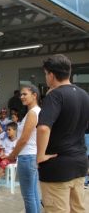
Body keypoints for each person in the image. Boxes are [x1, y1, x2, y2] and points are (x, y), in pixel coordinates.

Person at [37, 54, 89, 213]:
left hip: (57, 166)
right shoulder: (84, 95)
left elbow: (44, 127)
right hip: (80, 163)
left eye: (46, 74)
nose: (46, 78)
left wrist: (40, 155)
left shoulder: (55, 95)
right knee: (78, 209)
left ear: (51, 75)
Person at [5, 85, 41, 213]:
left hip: (27, 157)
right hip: (32, 156)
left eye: (25, 94)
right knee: (34, 193)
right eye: (21, 94)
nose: (21, 97)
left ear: (34, 95)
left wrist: (13, 154)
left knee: (29, 196)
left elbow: (24, 139)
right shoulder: (35, 111)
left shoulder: (32, 113)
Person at [0, 122, 17, 192]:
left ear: (15, 130)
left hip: (11, 159)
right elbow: (3, 150)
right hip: (5, 157)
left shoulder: (17, 142)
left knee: (3, 163)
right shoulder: (6, 140)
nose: (7, 131)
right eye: (7, 130)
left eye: (9, 130)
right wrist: (1, 154)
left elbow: (15, 155)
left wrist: (6, 156)